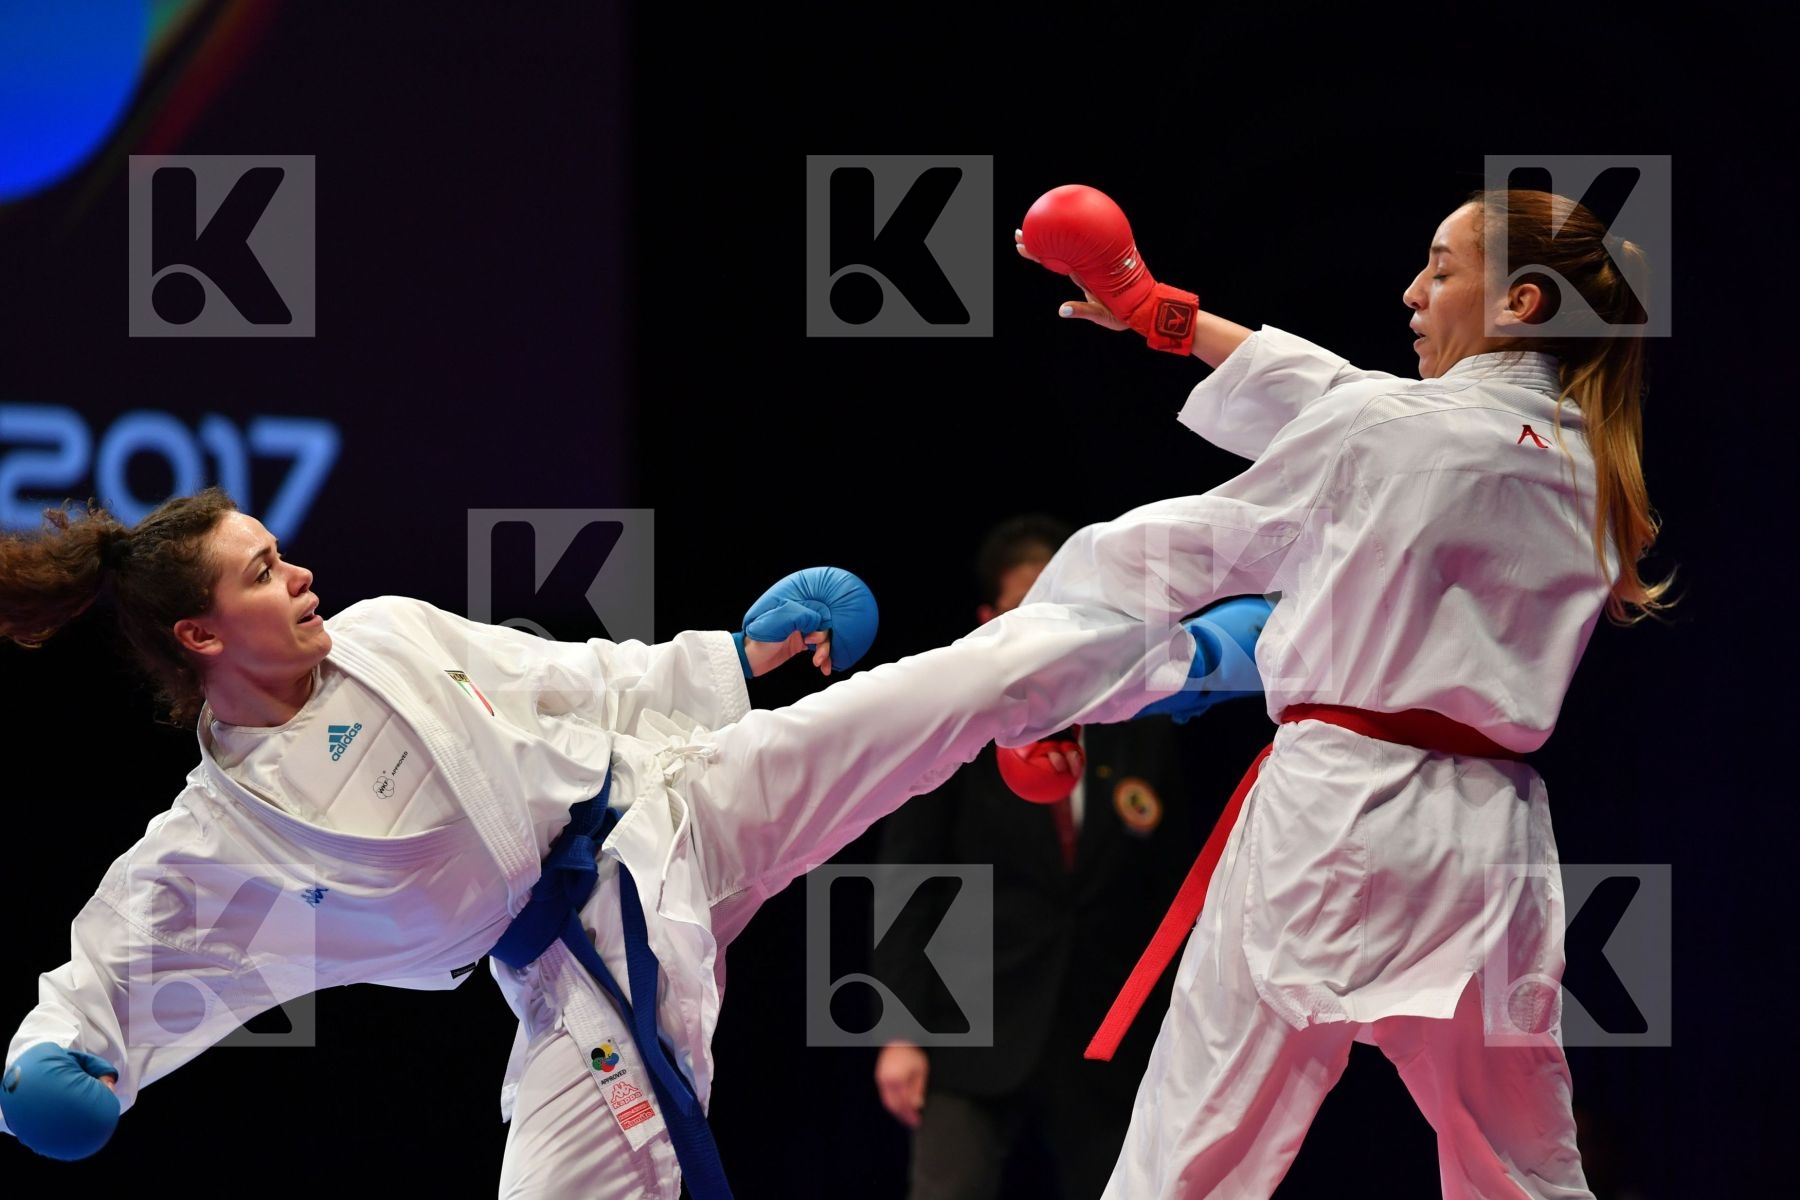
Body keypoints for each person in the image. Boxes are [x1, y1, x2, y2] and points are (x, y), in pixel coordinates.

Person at [0, 485, 1247, 1199]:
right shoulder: (223, 838)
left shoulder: (386, 632)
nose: (303, 573)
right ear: (207, 638)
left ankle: (1199, 650)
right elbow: (115, 951)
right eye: (266, 572)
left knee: (952, 690)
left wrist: (738, 660)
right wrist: (59, 1055)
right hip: (575, 974)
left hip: (683, 798)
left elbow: (570, 680)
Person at [1013, 182, 1670, 1197]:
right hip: (1489, 848)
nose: (1412, 291)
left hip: (1331, 821)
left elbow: (1177, 550)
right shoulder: (1600, 473)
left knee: (1189, 1160)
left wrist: (1037, 681)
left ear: (1522, 302)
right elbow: (1347, 398)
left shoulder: (1393, 428)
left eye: (1443, 269)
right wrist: (1157, 311)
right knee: (1524, 1172)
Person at [871, 512, 1269, 1200]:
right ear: (989, 618)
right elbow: (904, 877)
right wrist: (898, 1032)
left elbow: (1171, 880)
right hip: (967, 1020)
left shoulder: (1138, 718)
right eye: (1023, 610)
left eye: (1057, 608)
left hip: (1108, 1027)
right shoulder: (956, 723)